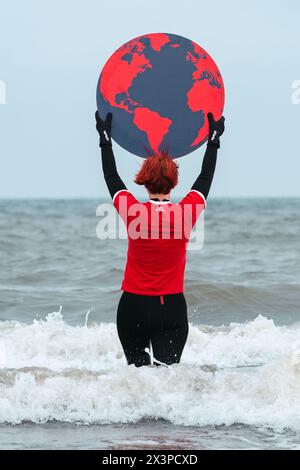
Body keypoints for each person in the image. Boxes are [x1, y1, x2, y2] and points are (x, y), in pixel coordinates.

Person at [95, 110, 225, 367]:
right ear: (174, 182)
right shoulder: (185, 213)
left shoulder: (133, 211)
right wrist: (214, 139)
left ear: (144, 181)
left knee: (139, 383)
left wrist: (105, 138)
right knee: (167, 384)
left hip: (132, 307)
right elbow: (205, 178)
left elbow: (112, 177)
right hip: (171, 309)